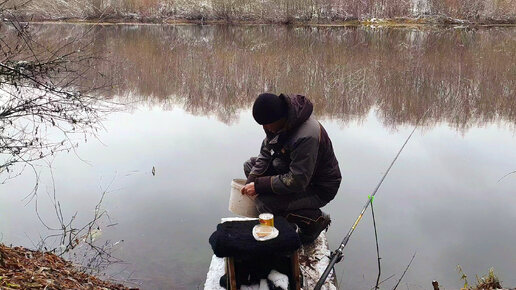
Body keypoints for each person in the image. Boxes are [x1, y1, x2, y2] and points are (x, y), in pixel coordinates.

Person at [242, 93, 342, 243]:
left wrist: (259, 186)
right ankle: (281, 214)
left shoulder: (307, 136)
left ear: (278, 118)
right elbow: (265, 154)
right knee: (250, 167)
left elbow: (297, 180)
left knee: (265, 203)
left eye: (266, 124)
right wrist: (251, 182)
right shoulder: (277, 124)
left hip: (317, 187)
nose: (265, 128)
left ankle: (313, 222)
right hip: (295, 170)